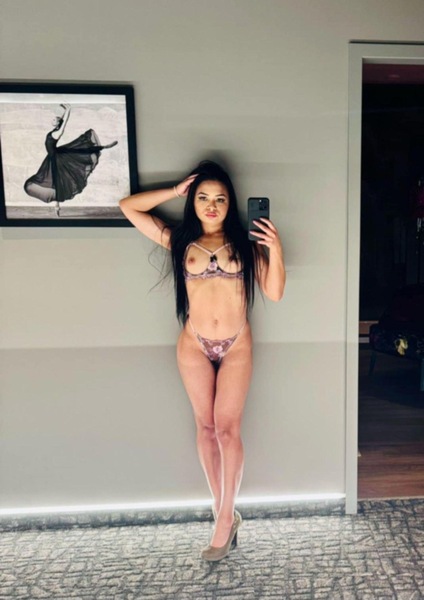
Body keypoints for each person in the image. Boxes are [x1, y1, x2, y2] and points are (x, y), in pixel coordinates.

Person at [119, 160, 285, 561]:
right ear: (193, 201)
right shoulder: (180, 241)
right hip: (194, 344)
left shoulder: (246, 244)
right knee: (206, 429)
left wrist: (275, 249)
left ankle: (225, 519)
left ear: (231, 203)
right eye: (203, 197)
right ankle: (220, 506)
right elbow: (129, 207)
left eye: (220, 199)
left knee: (227, 431)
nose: (211, 206)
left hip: (236, 344)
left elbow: (275, 292)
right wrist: (175, 190)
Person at [24, 104, 117, 216]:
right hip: (52, 157)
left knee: (61, 175)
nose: (52, 120)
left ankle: (103, 147)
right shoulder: (55, 130)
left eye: (54, 120)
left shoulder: (58, 133)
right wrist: (64, 112)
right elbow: (62, 121)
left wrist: (69, 109)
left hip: (55, 159)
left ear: (57, 123)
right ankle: (57, 206)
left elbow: (64, 123)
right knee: (56, 180)